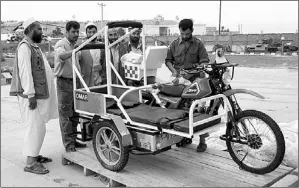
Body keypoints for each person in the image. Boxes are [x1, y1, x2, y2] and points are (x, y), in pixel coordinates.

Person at [10, 18, 58, 174]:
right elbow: (25, 72)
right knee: (34, 128)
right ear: (30, 30)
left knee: (39, 128)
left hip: (37, 95)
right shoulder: (24, 47)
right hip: (31, 97)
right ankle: (30, 163)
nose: (41, 32)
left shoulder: (34, 46)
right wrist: (30, 94)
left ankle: (34, 155)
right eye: (38, 29)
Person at [165, 18, 210, 152]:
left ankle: (202, 141)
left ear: (192, 31)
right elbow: (168, 61)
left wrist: (198, 68)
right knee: (177, 108)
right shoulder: (174, 44)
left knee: (200, 110)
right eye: (182, 34)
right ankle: (181, 137)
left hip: (196, 82)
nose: (184, 36)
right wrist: (173, 71)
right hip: (180, 80)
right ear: (179, 31)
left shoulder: (198, 44)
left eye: (187, 34)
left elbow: (205, 61)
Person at [54, 20, 86, 152]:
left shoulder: (74, 46)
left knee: (75, 113)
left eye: (78, 31)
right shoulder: (61, 44)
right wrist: (75, 50)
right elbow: (61, 56)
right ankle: (69, 144)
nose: (76, 34)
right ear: (66, 32)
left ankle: (73, 140)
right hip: (65, 82)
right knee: (66, 114)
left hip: (76, 82)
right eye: (73, 31)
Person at [79, 22, 105, 86]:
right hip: (86, 79)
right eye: (89, 32)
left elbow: (104, 63)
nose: (92, 34)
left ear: (97, 32)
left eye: (94, 32)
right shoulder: (82, 46)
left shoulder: (101, 46)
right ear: (86, 33)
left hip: (98, 78)